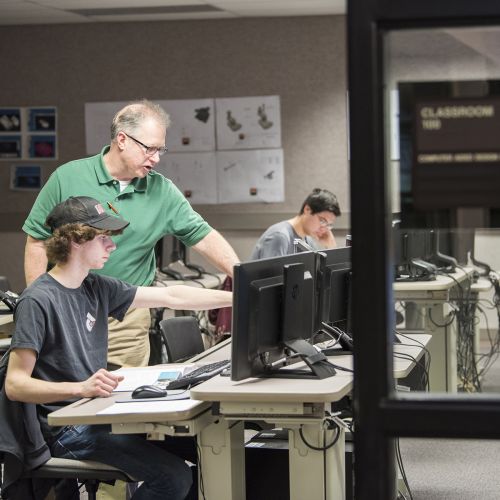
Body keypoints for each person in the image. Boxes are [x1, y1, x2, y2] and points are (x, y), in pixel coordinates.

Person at [4, 196, 233, 500]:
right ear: (75, 240)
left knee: (209, 447)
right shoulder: (38, 300)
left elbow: (173, 297)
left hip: (97, 414)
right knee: (173, 477)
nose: (112, 246)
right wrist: (80, 388)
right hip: (64, 427)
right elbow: (15, 385)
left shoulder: (96, 287)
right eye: (103, 238)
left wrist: (238, 297)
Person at [22, 99, 239, 369]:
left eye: (161, 150)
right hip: (68, 308)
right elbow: (37, 241)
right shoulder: (67, 178)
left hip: (127, 314)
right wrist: (39, 304)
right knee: (69, 391)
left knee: (119, 396)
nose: (156, 158)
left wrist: (243, 278)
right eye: (150, 148)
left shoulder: (161, 190)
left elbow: (202, 236)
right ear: (122, 140)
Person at [250, 188, 341, 260]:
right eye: (322, 221)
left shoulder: (307, 240)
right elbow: (272, 281)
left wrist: (331, 246)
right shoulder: (280, 237)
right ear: (307, 209)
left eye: (328, 225)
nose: (324, 228)